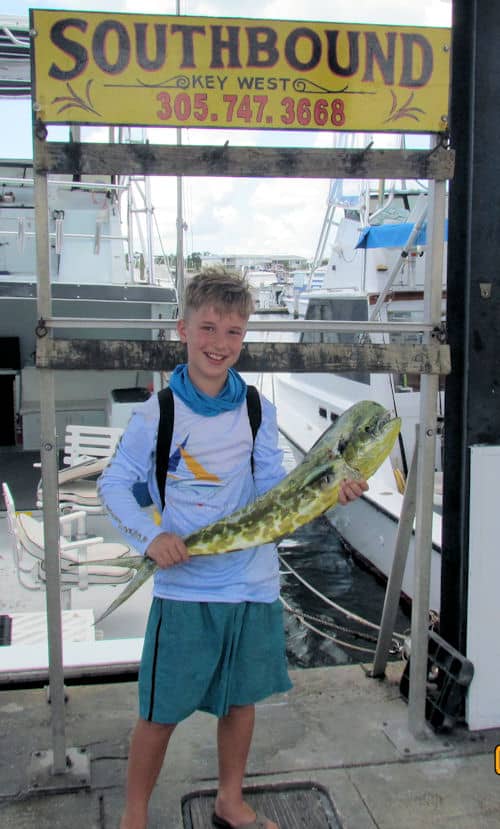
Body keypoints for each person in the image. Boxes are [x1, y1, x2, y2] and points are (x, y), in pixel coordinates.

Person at [98, 268, 368, 829]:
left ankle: (229, 798)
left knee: (240, 702)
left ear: (244, 338)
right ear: (184, 329)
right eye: (209, 328)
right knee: (158, 711)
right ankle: (134, 815)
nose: (220, 344)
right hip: (185, 585)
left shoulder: (257, 411)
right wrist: (152, 538)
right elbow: (113, 485)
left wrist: (329, 494)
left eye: (234, 333)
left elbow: (275, 492)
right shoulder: (159, 413)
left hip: (252, 582)